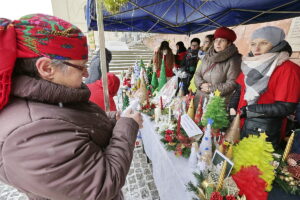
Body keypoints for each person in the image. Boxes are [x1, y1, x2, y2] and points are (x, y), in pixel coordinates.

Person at [0, 14, 143, 200]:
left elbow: (72, 122)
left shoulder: (47, 97)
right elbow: (101, 184)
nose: (86, 73)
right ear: (46, 68)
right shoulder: (29, 134)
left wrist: (112, 119)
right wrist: (127, 126)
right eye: (81, 66)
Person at [228, 26, 300, 149]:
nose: (256, 48)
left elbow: (285, 107)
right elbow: (240, 89)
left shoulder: (288, 69)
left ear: (276, 44)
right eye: (253, 44)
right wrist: (232, 107)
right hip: (239, 123)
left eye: (264, 43)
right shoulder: (250, 64)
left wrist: (249, 110)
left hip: (263, 131)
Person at [194, 27, 241, 106]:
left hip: (217, 102)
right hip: (200, 98)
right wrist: (201, 84)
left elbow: (232, 83)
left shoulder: (234, 59)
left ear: (229, 43)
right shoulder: (207, 56)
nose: (218, 43)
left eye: (222, 40)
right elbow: (197, 74)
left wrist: (211, 89)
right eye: (216, 40)